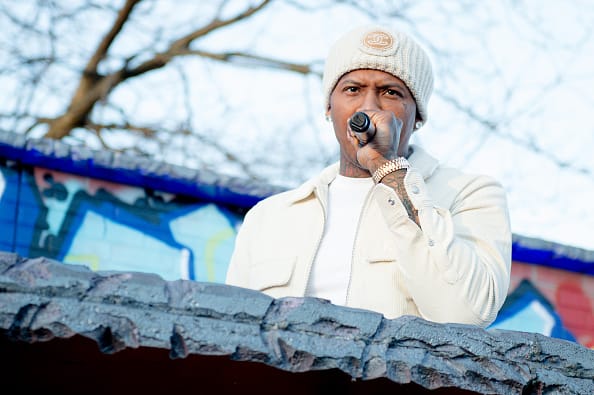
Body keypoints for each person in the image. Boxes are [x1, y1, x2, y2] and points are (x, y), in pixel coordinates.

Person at [225, 24, 511, 328]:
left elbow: (465, 315)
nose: (369, 107)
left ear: (417, 118)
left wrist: (387, 168)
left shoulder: (470, 195)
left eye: (391, 92)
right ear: (328, 107)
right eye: (352, 89)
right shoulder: (269, 217)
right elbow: (236, 334)